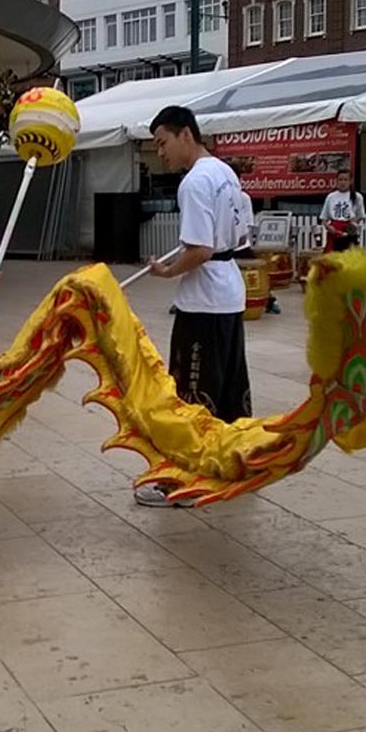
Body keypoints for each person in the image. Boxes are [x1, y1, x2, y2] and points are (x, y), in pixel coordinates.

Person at [135, 105, 251, 508]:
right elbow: (236, 237)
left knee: (191, 393)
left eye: (162, 143)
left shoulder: (195, 182)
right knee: (229, 390)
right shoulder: (225, 173)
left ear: (186, 134)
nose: (160, 153)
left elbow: (199, 249)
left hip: (203, 302)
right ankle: (233, 467)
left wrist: (167, 272)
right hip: (229, 293)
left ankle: (185, 482)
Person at [232, 172, 281, 315]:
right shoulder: (217, 197)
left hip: (240, 244)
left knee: (256, 272)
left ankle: (269, 300)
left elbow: (248, 223)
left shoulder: (243, 197)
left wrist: (239, 239)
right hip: (221, 246)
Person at [320, 169, 365, 251]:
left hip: (349, 231)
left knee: (349, 256)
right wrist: (329, 227)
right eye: (340, 180)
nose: (342, 182)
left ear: (350, 181)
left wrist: (352, 226)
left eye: (345, 179)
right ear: (336, 181)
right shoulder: (331, 197)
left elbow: (360, 216)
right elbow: (324, 218)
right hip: (334, 231)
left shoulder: (357, 197)